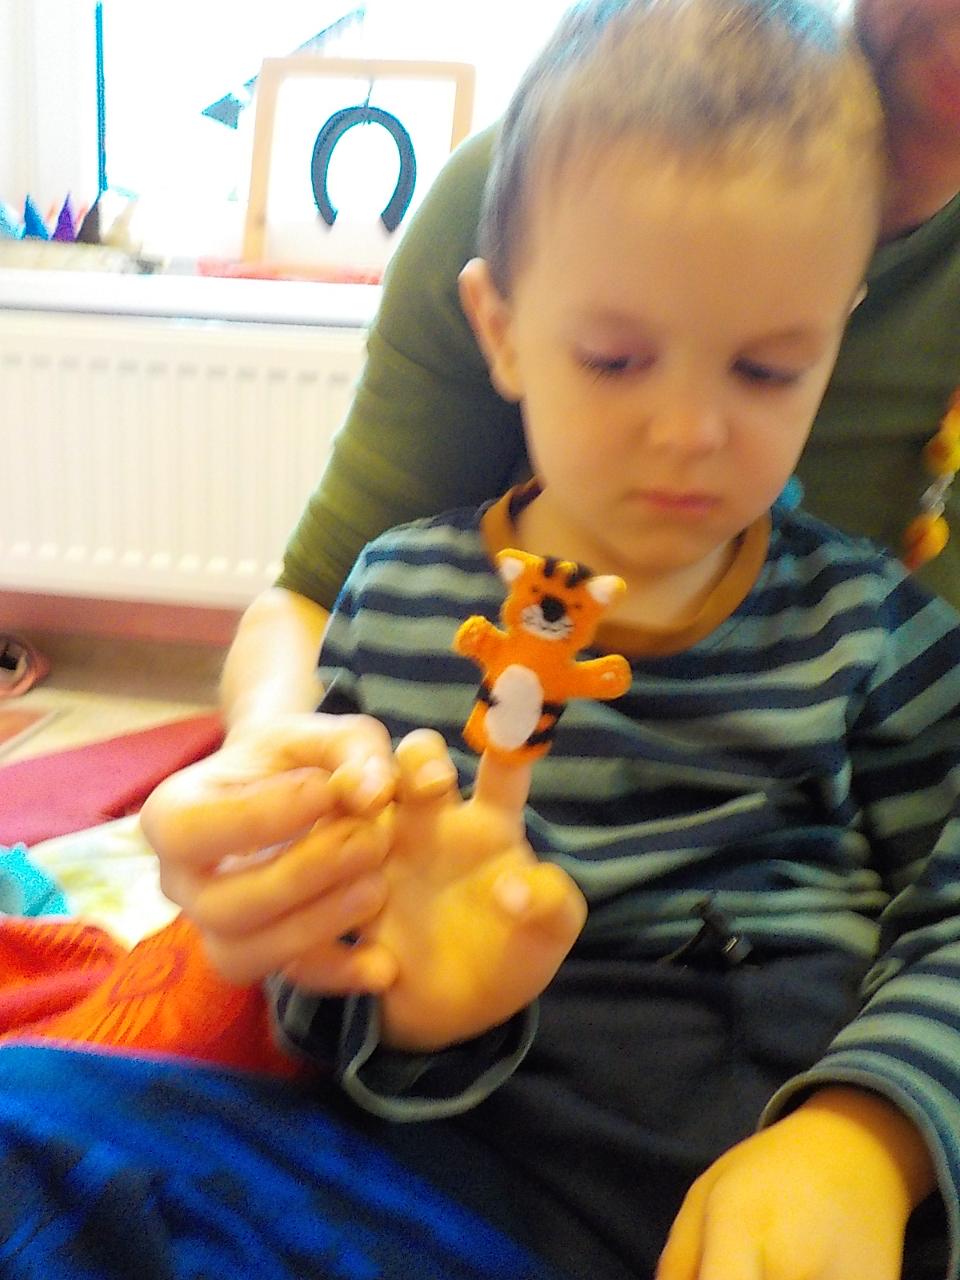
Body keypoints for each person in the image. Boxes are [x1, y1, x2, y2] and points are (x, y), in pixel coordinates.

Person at [141, 0, 960, 1276]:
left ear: (835, 336)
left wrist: (869, 1128)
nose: (688, 431)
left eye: (765, 371)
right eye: (617, 359)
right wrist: (419, 1003)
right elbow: (313, 961)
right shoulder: (395, 599)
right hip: (470, 1170)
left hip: (800, 1158)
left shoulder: (871, 628)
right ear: (501, 331)